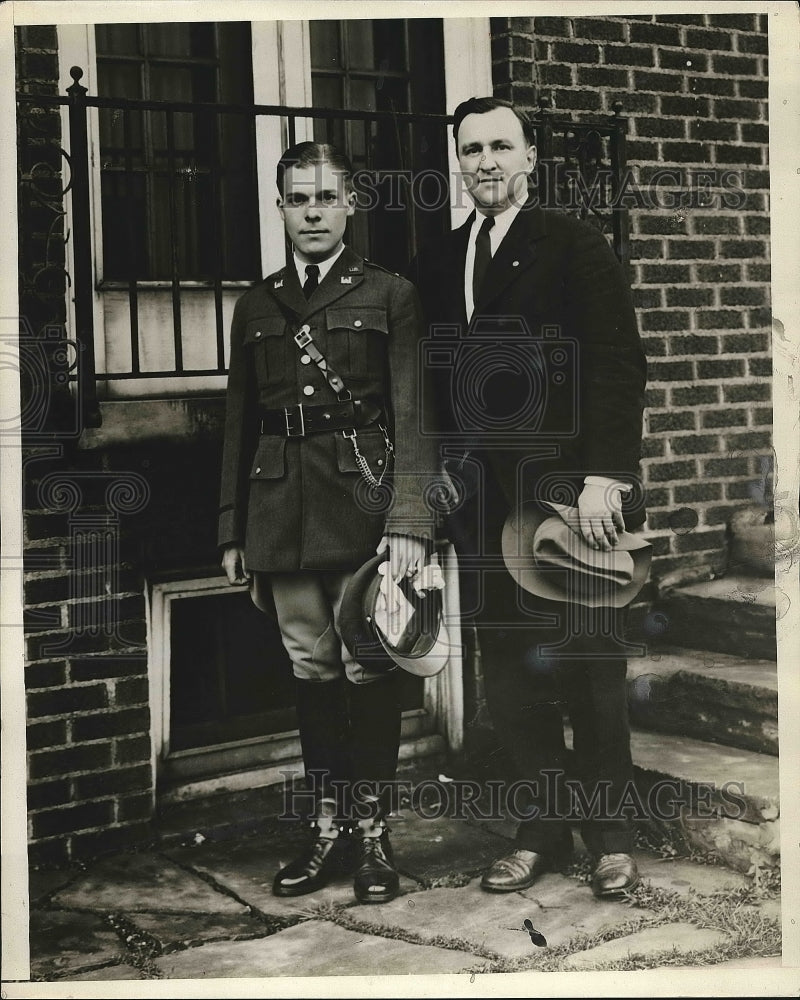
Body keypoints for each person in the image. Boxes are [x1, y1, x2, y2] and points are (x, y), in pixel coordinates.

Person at [407, 97, 648, 898]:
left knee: (590, 667)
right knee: (509, 674)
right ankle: (542, 827)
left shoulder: (574, 245)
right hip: (484, 505)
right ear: (459, 163)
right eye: (471, 149)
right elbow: (437, 385)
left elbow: (617, 362)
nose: (485, 162)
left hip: (570, 500)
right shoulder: (442, 261)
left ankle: (611, 834)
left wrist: (604, 477)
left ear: (531, 157)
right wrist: (443, 470)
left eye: (501, 146)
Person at [218, 141, 439, 904]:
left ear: (350, 206)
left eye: (325, 197)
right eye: (296, 198)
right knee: (310, 669)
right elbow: (238, 424)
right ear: (279, 207)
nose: (311, 210)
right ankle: (326, 831)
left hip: (365, 505)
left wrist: (411, 517)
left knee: (368, 667)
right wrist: (231, 530)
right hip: (278, 510)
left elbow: (413, 413)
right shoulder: (257, 303)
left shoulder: (389, 294)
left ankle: (374, 835)